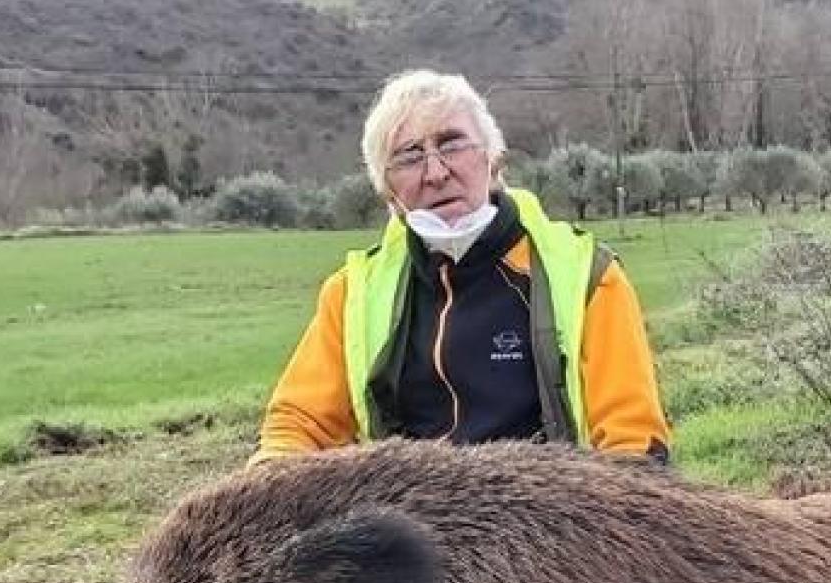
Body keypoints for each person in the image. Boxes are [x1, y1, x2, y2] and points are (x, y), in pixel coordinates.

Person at [252, 69, 671, 464]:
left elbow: (632, 445)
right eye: (409, 156)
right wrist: (263, 491)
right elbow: (299, 426)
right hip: (405, 530)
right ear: (386, 190)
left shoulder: (588, 279)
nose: (436, 172)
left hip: (551, 527)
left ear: (493, 161)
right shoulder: (350, 296)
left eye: (452, 143)